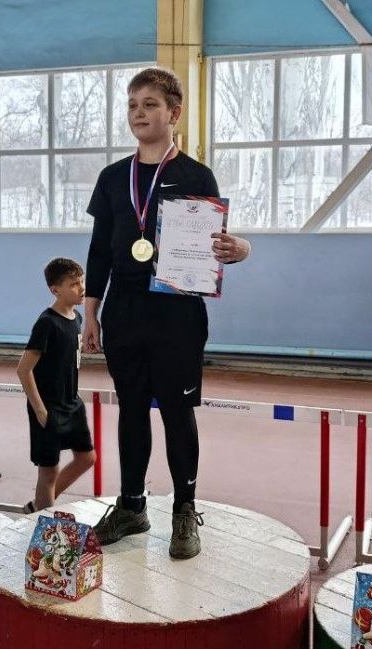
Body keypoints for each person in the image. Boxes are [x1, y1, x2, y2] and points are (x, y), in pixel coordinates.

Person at [83, 67, 251, 559]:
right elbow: (98, 250)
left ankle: (184, 510)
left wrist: (239, 250)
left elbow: (217, 243)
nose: (139, 113)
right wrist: (91, 313)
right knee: (131, 410)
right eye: (132, 105)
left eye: (150, 104)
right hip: (124, 312)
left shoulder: (196, 176)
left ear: (174, 113)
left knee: (178, 412)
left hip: (177, 313)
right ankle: (131, 506)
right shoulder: (113, 177)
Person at [16, 258, 96, 513]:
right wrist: (40, 410)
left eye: (82, 281)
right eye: (73, 284)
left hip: (72, 405)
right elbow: (23, 369)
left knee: (87, 458)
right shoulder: (47, 323)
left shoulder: (77, 318)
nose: (81, 288)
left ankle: (39, 505)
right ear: (55, 290)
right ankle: (44, 522)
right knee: (49, 471)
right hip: (49, 408)